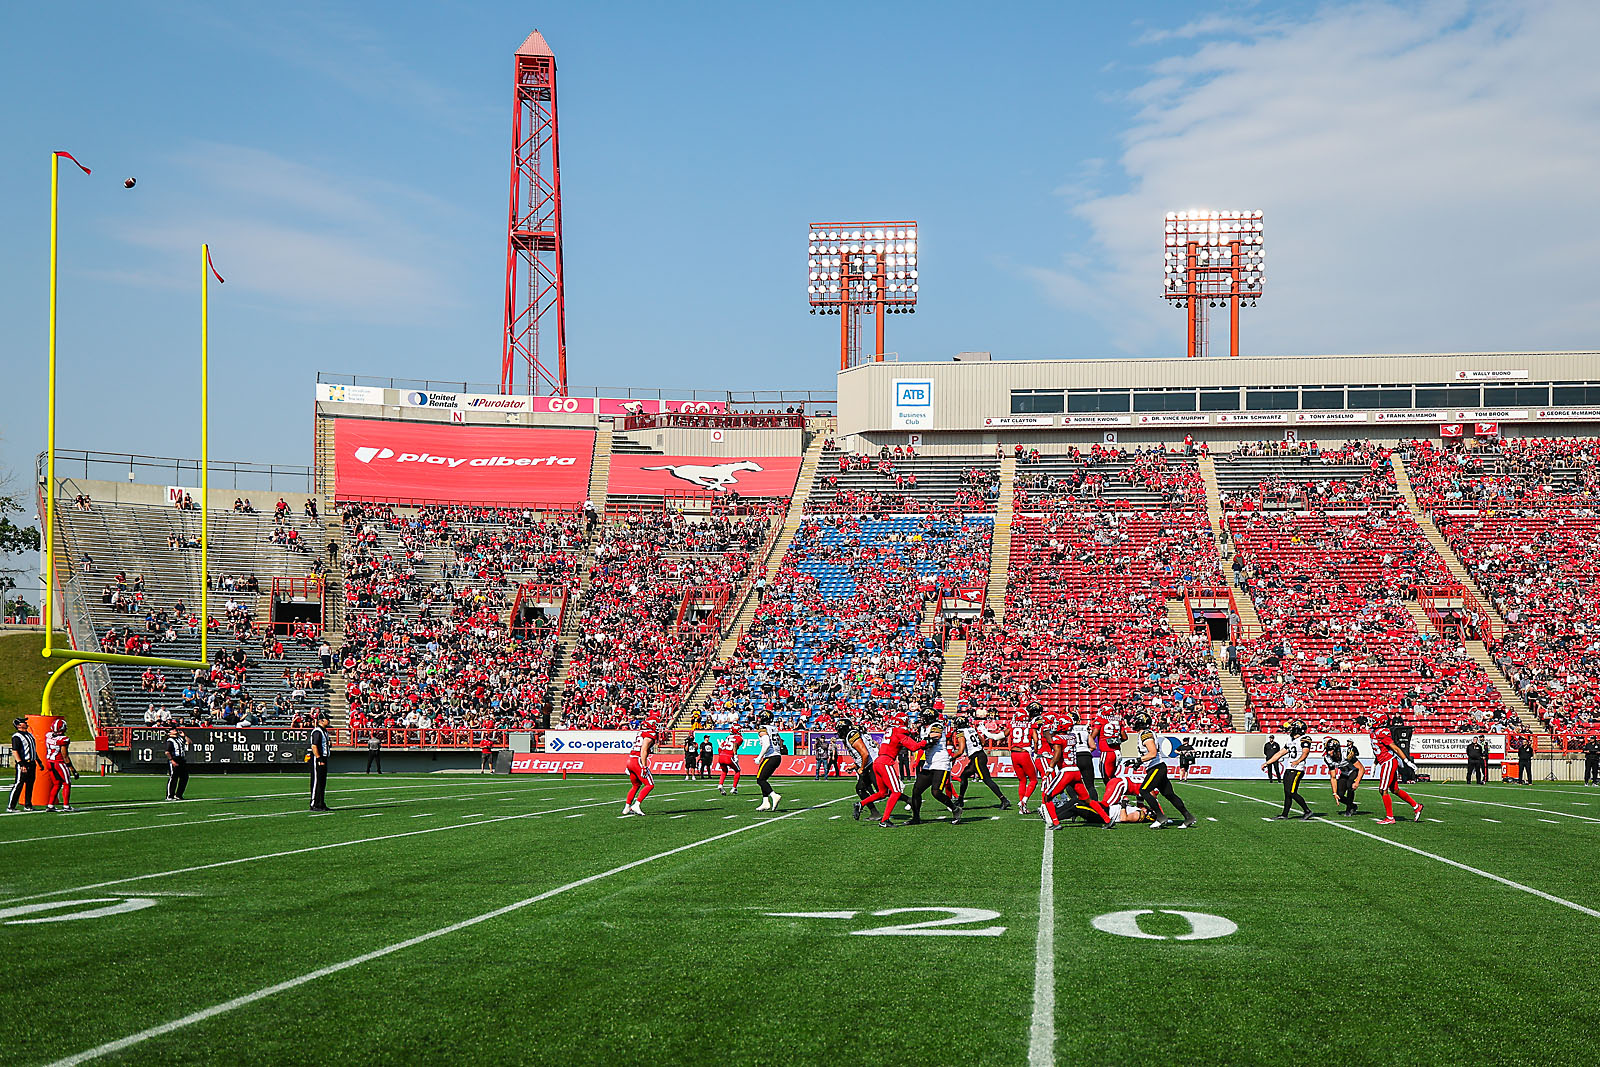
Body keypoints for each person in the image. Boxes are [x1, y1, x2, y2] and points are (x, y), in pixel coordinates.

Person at [1038, 712, 1114, 830]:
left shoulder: (1058, 738)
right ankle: (1107, 820)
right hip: (1075, 770)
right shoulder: (1072, 736)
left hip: (1066, 771)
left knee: (1047, 796)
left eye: (1058, 723)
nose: (1056, 725)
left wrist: (1049, 768)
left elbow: (1057, 755)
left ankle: (1055, 822)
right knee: (1087, 799)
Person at [856, 710, 925, 827]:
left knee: (883, 793)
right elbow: (914, 747)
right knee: (897, 791)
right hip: (885, 762)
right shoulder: (900, 732)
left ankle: (861, 804)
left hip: (878, 761)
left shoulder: (891, 730)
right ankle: (884, 820)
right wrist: (926, 742)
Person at [1130, 713, 1193, 829]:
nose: (1133, 723)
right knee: (1169, 794)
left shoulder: (1145, 734)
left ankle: (1160, 817)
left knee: (1144, 791)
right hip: (1157, 767)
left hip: (1157, 767)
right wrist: (1139, 763)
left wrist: (1137, 760)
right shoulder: (1145, 734)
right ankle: (1188, 817)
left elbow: (1152, 753)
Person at [908, 714, 963, 825]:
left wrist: (919, 744)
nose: (921, 719)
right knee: (916, 790)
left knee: (936, 792)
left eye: (923, 717)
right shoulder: (923, 728)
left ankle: (955, 809)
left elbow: (932, 739)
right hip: (929, 764)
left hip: (940, 763)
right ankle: (916, 817)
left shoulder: (936, 725)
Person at [1263, 719, 1314, 819]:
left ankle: (1307, 810)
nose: (1291, 730)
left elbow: (1305, 752)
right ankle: (1284, 814)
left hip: (1297, 769)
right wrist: (1267, 762)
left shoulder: (1304, 739)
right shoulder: (1290, 740)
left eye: (1293, 728)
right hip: (1289, 768)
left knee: (1292, 791)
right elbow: (1280, 753)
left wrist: (1298, 761)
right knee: (1287, 792)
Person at [955, 716, 1009, 809]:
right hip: (979, 755)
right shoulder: (971, 729)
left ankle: (1004, 800)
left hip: (976, 757)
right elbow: (983, 741)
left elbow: (961, 750)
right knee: (964, 775)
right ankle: (960, 800)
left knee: (986, 779)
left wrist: (951, 758)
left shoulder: (961, 732)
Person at [1372, 728, 1424, 825]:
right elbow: (1380, 750)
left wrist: (1407, 761)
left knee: (1383, 790)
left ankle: (1390, 817)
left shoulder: (1382, 732)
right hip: (1385, 762)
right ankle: (1416, 806)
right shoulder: (1373, 732)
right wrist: (1375, 763)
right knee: (1394, 789)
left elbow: (1395, 748)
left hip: (1388, 762)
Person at [837, 718, 878, 818]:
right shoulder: (853, 734)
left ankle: (911, 802)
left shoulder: (852, 735)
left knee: (884, 792)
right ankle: (875, 813)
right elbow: (861, 755)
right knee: (860, 789)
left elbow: (865, 754)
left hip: (872, 765)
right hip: (869, 764)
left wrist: (862, 768)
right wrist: (854, 766)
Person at [622, 712, 661, 816]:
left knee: (636, 785)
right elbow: (643, 750)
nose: (658, 727)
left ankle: (627, 807)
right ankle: (636, 805)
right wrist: (644, 766)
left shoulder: (641, 732)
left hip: (631, 759)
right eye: (657, 724)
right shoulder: (651, 734)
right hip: (638, 760)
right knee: (650, 784)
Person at [1008, 705, 1040, 815]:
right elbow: (1036, 740)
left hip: (1013, 753)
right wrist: (1035, 753)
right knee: (1034, 780)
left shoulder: (1012, 725)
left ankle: (1022, 808)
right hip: (1024, 753)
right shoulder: (1030, 725)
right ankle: (1023, 801)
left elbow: (1005, 735)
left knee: (1022, 781)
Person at [42, 720, 76, 812]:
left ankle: (50, 805)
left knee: (56, 784)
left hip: (49, 762)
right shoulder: (63, 739)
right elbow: (64, 755)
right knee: (67, 783)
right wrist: (73, 769)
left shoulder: (48, 735)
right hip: (59, 763)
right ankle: (66, 806)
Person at [754, 712, 786, 811]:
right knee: (763, 779)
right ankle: (765, 802)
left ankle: (773, 795)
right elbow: (781, 742)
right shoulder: (774, 728)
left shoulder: (763, 728)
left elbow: (767, 744)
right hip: (777, 756)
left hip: (770, 757)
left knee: (760, 780)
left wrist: (759, 757)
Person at [7, 718, 39, 813]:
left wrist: (38, 761)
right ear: (18, 725)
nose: (26, 723)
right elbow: (15, 751)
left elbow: (33, 750)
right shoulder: (17, 736)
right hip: (24, 763)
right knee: (19, 784)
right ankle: (11, 806)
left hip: (32, 763)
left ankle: (28, 805)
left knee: (30, 784)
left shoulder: (29, 735)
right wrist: (21, 764)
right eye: (23, 722)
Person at [1332, 740, 1365, 817]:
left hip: (1353, 771)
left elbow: (1361, 768)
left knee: (1350, 786)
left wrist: (1357, 782)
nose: (1330, 753)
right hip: (1344, 773)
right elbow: (1332, 776)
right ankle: (1353, 805)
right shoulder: (1328, 758)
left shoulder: (1346, 753)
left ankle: (1349, 809)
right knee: (1339, 795)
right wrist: (1334, 792)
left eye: (1331, 750)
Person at [307, 713, 331, 812]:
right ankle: (314, 803)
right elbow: (314, 746)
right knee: (317, 781)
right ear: (321, 720)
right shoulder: (317, 731)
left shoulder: (324, 731)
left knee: (322, 782)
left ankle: (321, 803)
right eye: (326, 719)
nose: (328, 721)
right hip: (318, 759)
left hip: (323, 758)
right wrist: (319, 758)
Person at [714, 727, 744, 795]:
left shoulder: (728, 737)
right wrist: (735, 755)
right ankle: (734, 788)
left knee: (724, 771)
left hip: (721, 755)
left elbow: (720, 747)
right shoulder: (739, 738)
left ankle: (720, 784)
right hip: (729, 756)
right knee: (737, 771)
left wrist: (721, 754)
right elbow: (735, 745)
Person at [166, 726, 190, 801]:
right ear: (170, 733)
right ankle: (170, 795)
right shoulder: (170, 740)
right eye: (173, 729)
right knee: (173, 777)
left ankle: (179, 794)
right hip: (175, 759)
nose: (175, 730)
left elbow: (189, 742)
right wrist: (172, 760)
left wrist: (185, 736)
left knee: (184, 777)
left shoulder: (180, 739)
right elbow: (167, 752)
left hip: (181, 759)